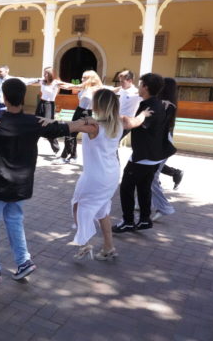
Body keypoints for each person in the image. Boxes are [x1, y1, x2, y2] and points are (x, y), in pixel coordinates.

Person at [0, 78, 96, 281]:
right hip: (21, 187)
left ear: (5, 99)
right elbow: (64, 128)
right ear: (23, 98)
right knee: (14, 220)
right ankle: (23, 262)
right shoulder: (34, 123)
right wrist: (86, 122)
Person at [70, 89, 122, 261]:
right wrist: (144, 114)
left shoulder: (94, 126)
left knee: (78, 206)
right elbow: (136, 121)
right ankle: (109, 247)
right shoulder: (119, 123)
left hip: (95, 175)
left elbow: (70, 126)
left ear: (100, 104)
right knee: (102, 210)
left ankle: (84, 243)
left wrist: (47, 123)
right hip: (111, 174)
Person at [113, 73, 165, 233]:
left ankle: (128, 221)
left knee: (126, 187)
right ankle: (144, 220)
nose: (138, 87)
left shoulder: (150, 107)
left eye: (141, 84)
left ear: (146, 87)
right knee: (144, 188)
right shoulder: (155, 103)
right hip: (151, 156)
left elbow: (134, 124)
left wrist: (112, 115)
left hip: (143, 156)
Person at [55, 70, 103, 164]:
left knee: (71, 134)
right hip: (78, 111)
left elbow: (109, 90)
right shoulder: (84, 87)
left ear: (91, 78)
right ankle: (72, 156)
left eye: (84, 78)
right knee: (70, 133)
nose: (82, 79)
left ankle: (65, 156)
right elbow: (71, 86)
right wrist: (59, 83)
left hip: (86, 112)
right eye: (82, 77)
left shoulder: (96, 89)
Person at [151, 77, 178, 221]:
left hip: (161, 143)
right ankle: (147, 203)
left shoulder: (167, 105)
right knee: (149, 176)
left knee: (152, 176)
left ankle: (164, 207)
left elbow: (159, 126)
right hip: (160, 142)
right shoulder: (166, 104)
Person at [32, 67, 67, 154]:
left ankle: (56, 148)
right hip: (41, 103)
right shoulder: (42, 81)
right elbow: (31, 82)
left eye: (46, 73)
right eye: (44, 73)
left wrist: (81, 86)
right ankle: (31, 147)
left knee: (48, 126)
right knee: (36, 124)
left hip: (49, 105)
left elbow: (67, 86)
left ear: (51, 74)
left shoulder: (56, 83)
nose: (44, 75)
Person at [112, 70, 142, 139]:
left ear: (130, 81)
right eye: (120, 81)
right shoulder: (120, 90)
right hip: (116, 121)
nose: (120, 84)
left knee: (115, 140)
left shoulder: (136, 93)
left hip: (126, 123)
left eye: (122, 82)